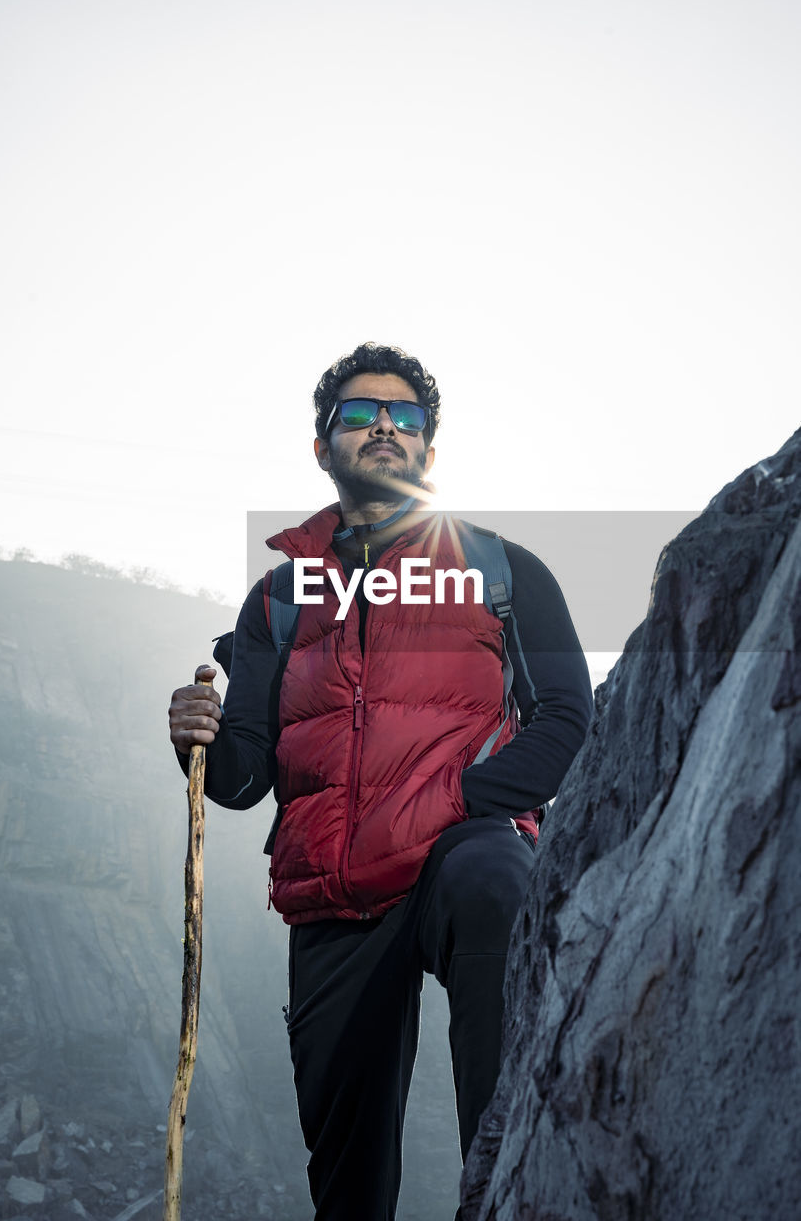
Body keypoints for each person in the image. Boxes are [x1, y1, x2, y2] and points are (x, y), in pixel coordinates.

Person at [168, 342, 592, 1220]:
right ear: (323, 448)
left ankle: (507, 1194)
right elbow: (244, 777)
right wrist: (197, 745)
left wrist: (458, 806)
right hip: (332, 893)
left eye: (406, 417)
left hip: (459, 850)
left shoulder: (502, 569)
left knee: (494, 889)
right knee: (348, 1185)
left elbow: (566, 719)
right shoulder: (279, 600)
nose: (385, 428)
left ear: (430, 454)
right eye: (359, 415)